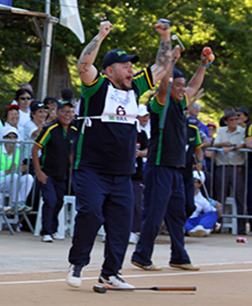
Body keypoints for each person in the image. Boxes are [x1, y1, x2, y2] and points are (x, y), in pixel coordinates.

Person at [66, 19, 172, 290]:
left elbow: (161, 67)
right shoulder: (97, 86)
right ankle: (78, 263)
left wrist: (165, 36)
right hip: (91, 168)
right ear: (110, 70)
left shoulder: (134, 86)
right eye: (126, 66)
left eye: (132, 66)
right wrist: (100, 35)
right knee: (90, 213)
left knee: (122, 226)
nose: (131, 69)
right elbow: (83, 66)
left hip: (123, 172)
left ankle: (110, 273)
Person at [131, 45, 209, 272]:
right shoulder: (160, 104)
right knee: (155, 213)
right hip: (159, 166)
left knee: (177, 214)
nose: (183, 89)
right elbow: (163, 86)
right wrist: (171, 62)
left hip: (176, 168)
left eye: (183, 86)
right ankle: (142, 256)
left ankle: (179, 256)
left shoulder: (181, 102)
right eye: (178, 85)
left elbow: (195, 85)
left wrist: (204, 64)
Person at [32, 101, 77, 242]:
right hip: (47, 173)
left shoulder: (74, 131)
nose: (67, 115)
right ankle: (46, 231)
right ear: (57, 113)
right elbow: (35, 149)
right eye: (63, 111)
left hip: (62, 174)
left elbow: (71, 151)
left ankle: (54, 228)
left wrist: (73, 169)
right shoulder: (50, 129)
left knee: (58, 202)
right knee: (50, 200)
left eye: (69, 112)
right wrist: (39, 172)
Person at [212, 107, 246, 235]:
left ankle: (242, 228)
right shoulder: (221, 131)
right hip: (223, 166)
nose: (234, 121)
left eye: (236, 119)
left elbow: (244, 144)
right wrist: (222, 144)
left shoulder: (242, 131)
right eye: (231, 119)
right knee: (220, 196)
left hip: (237, 167)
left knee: (239, 197)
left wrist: (232, 148)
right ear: (226, 121)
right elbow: (214, 144)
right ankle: (218, 226)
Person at [130, 105, 149, 244]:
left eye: (146, 116)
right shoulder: (127, 130)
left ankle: (134, 231)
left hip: (137, 174)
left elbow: (149, 149)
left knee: (137, 203)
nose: (145, 119)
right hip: (122, 173)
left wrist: (140, 153)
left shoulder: (142, 134)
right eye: (142, 116)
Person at [186, 171, 222, 237]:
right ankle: (199, 231)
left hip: (194, 220)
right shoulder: (181, 193)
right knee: (180, 221)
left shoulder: (202, 199)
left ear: (200, 184)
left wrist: (219, 208)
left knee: (212, 214)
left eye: (194, 181)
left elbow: (213, 213)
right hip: (184, 220)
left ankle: (200, 228)